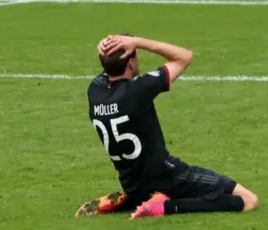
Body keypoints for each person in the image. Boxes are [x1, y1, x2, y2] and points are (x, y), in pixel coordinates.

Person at [76, 34, 258, 219]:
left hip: (132, 184)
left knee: (146, 188)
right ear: (131, 62)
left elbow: (111, 68)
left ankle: (131, 200)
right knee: (248, 200)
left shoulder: (95, 90)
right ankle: (164, 206)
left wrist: (108, 51)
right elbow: (184, 57)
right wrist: (138, 42)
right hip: (168, 178)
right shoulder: (138, 90)